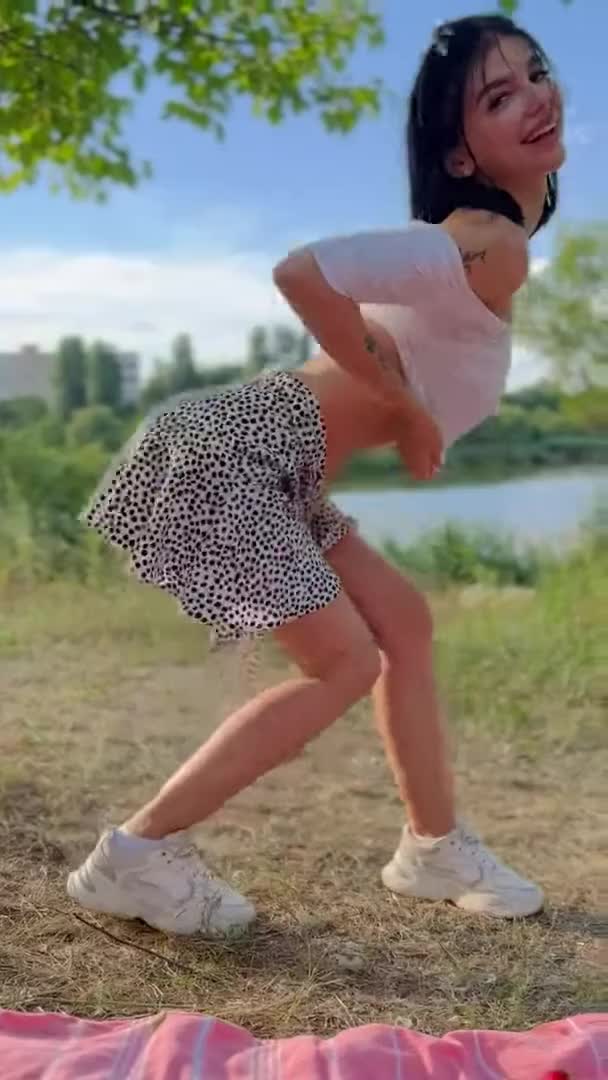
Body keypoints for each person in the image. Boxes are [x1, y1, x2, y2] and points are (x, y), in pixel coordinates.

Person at [67, 14, 566, 936]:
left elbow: (376, 343)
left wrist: (406, 407)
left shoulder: (483, 248)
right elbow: (303, 274)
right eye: (500, 96)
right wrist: (411, 413)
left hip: (282, 465)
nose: (537, 98)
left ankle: (433, 848)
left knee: (402, 623)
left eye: (536, 73)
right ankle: (135, 855)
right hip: (239, 448)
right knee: (345, 662)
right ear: (459, 152)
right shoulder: (486, 236)